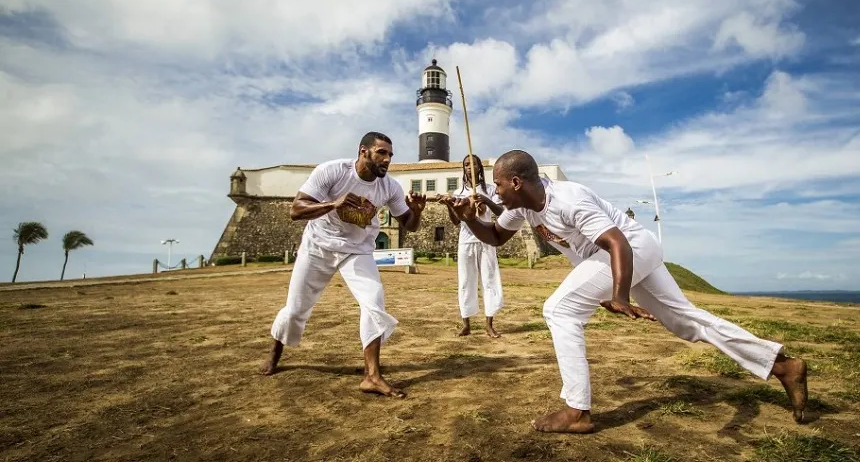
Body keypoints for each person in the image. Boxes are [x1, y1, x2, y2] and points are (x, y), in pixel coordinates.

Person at [442, 150, 808, 433]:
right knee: (686, 323)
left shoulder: (568, 199)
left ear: (517, 182)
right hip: (631, 253)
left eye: (500, 185)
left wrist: (620, 295)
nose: (496, 191)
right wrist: (470, 218)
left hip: (631, 249)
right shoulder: (524, 209)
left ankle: (577, 411)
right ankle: (782, 366)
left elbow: (617, 242)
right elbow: (493, 237)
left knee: (560, 310)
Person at [260, 131, 426, 399]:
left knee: (374, 303)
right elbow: (296, 210)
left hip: (357, 251)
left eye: (390, 155)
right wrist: (333, 203)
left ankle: (371, 376)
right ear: (363, 151)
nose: (387, 160)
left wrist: (417, 212)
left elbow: (410, 224)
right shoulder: (332, 171)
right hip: (318, 247)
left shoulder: (390, 187)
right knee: (295, 310)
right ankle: (276, 350)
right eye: (381, 153)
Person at [440, 154, 505, 338]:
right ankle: (466, 324)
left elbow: (501, 212)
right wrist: (449, 206)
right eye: (466, 165)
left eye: (473, 164)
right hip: (466, 240)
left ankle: (489, 324)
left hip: (486, 239)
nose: (470, 167)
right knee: (466, 281)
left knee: (489, 279)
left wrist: (486, 199)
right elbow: (455, 222)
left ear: (479, 168)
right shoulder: (458, 193)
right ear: (464, 169)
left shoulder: (491, 189)